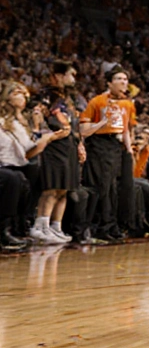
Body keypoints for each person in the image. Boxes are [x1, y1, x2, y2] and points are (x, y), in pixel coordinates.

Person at [1, 81, 72, 247]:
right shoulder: (3, 120)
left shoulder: (27, 119)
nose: (22, 94)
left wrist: (44, 134)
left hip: (19, 163)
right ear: (7, 97)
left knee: (38, 173)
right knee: (17, 177)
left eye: (24, 92)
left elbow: (31, 145)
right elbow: (27, 150)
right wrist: (48, 138)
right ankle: (7, 229)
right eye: (16, 91)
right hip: (6, 163)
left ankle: (29, 224)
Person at [79, 68, 135, 242]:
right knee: (102, 185)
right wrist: (101, 124)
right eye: (119, 78)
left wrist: (129, 150)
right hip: (99, 143)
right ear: (109, 83)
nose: (123, 82)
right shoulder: (97, 102)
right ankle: (100, 226)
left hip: (116, 146)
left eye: (125, 79)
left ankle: (112, 225)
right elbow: (84, 130)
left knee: (113, 187)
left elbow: (126, 128)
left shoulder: (128, 104)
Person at [32, 62, 85, 243]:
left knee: (64, 189)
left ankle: (56, 226)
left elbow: (74, 125)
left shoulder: (69, 98)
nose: (73, 79)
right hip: (54, 145)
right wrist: (48, 136)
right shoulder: (46, 94)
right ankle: (40, 226)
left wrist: (79, 144)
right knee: (52, 187)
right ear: (59, 75)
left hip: (69, 144)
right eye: (71, 74)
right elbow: (38, 118)